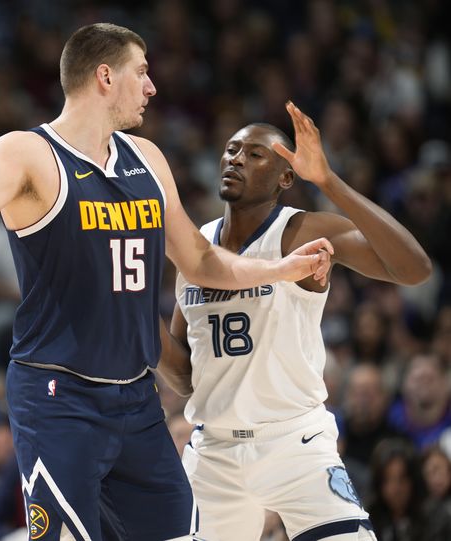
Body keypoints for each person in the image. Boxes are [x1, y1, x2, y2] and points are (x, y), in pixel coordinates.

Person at [0, 23, 333, 540]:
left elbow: (202, 261)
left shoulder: (147, 159)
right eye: (141, 72)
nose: (151, 87)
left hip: (137, 398)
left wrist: (279, 269)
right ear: (105, 76)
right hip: (59, 398)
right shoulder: (27, 154)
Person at [163, 101, 432, 541]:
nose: (236, 158)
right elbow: (185, 377)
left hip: (293, 442)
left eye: (255, 154)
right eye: (232, 150)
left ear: (285, 177)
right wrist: (133, 314)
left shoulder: (301, 231)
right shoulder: (196, 250)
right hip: (214, 450)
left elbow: (414, 268)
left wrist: (328, 180)